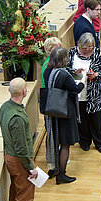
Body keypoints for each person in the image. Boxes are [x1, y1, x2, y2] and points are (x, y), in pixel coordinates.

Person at [43, 47, 84, 184]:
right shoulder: (64, 75)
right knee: (65, 145)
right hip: (64, 113)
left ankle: (54, 168)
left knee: (55, 140)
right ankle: (62, 174)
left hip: (51, 113)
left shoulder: (48, 72)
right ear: (64, 59)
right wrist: (83, 80)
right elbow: (75, 88)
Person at [0, 77, 37, 201]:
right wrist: (30, 167)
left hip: (9, 155)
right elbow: (21, 147)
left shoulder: (4, 107)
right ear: (24, 91)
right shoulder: (17, 118)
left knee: (15, 191)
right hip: (19, 161)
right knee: (24, 199)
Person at [67, 33, 101, 152]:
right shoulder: (72, 52)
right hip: (78, 92)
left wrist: (95, 75)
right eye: (84, 47)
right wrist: (75, 71)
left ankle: (100, 143)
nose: (87, 49)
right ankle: (84, 141)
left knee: (97, 119)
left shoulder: (98, 53)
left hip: (94, 93)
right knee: (82, 119)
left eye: (90, 47)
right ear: (79, 45)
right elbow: (65, 69)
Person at [39, 37, 61, 176]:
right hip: (50, 104)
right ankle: (52, 163)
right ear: (48, 51)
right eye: (55, 48)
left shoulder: (56, 64)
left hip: (54, 102)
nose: (58, 50)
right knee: (51, 133)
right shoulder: (48, 66)